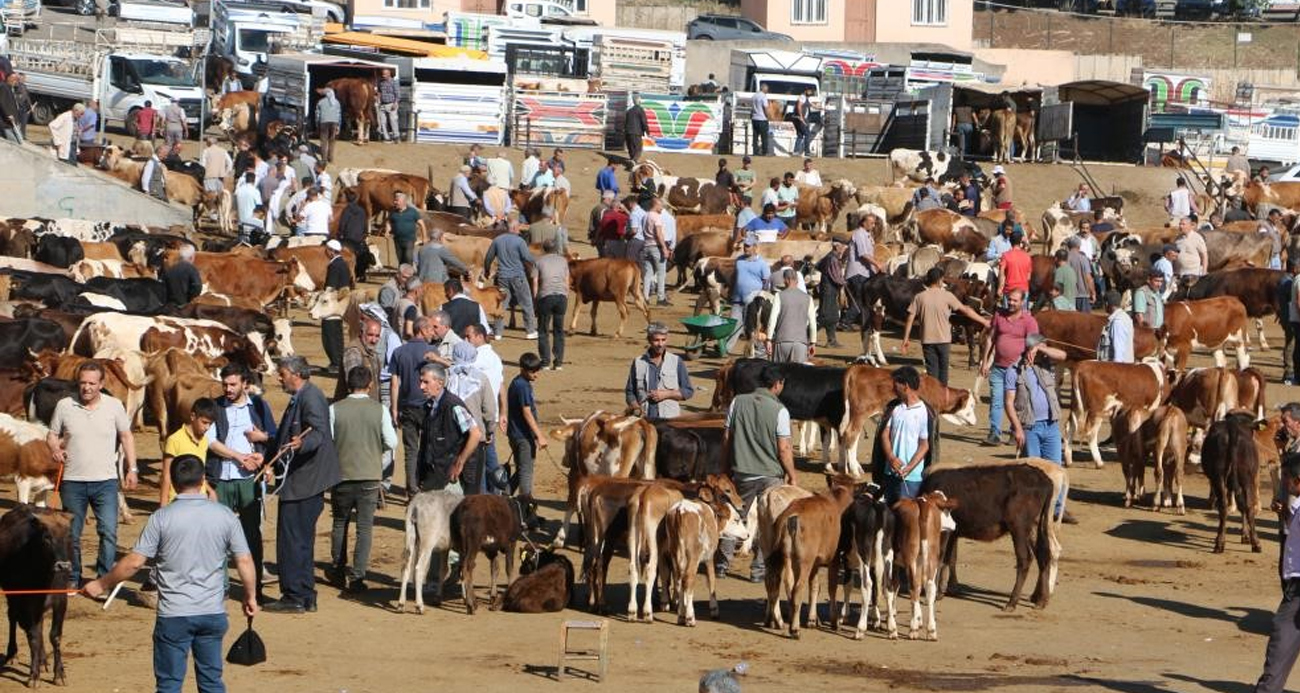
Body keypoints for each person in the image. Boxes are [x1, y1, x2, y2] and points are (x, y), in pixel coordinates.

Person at [81, 455, 258, 693]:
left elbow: (134, 562)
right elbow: (244, 560)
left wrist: (101, 584)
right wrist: (250, 596)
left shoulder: (161, 518)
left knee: (169, 685)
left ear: (173, 484)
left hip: (174, 615)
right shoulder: (224, 516)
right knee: (211, 682)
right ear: (204, 480)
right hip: (212, 612)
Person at [263, 356, 340, 614]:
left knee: (292, 541)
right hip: (304, 481)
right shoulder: (304, 395)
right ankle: (305, 595)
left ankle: (294, 595)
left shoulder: (311, 397)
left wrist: (300, 444)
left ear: (295, 374)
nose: (279, 378)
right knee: (301, 541)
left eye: (282, 373)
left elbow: (318, 434)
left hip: (304, 483)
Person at [716, 363, 797, 582]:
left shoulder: (737, 402)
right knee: (768, 522)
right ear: (778, 384)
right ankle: (759, 569)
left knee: (735, 515)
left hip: (742, 471)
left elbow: (726, 439)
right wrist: (792, 473)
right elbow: (784, 448)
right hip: (771, 474)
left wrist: (724, 467)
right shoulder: (780, 410)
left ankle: (722, 564)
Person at [206, 363, 275, 603]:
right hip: (221, 478)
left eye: (233, 384)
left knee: (251, 536)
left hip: (249, 480)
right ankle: (221, 589)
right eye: (225, 384)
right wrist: (239, 456)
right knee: (219, 536)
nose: (228, 389)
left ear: (245, 384)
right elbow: (210, 441)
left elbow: (271, 438)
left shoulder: (257, 406)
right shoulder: (214, 407)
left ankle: (254, 589)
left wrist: (263, 459)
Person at [329, 365, 397, 593]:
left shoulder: (335, 409)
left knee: (340, 523)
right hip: (369, 475)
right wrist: (376, 453)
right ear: (370, 385)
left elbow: (328, 441)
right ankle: (357, 577)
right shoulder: (379, 410)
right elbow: (392, 442)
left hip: (341, 474)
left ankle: (338, 570)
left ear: (349, 384)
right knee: (364, 527)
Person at [1004, 334, 1072, 521]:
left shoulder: (1045, 362)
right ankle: (1033, 509)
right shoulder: (1014, 370)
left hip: (1051, 425)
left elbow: (1063, 355)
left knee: (1056, 469)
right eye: (1039, 346)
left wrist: (1040, 348)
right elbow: (1009, 403)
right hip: (1029, 426)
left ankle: (1057, 509)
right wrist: (1017, 429)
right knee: (1032, 471)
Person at [1254, 453, 1300, 693]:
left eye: (1288, 480)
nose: (1286, 484)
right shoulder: (1298, 507)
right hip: (1295, 587)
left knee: (1281, 639)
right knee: (1282, 638)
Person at [902, 267, 990, 386]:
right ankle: (943, 397)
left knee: (932, 373)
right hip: (943, 340)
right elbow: (966, 310)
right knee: (943, 372)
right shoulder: (947, 296)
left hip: (927, 340)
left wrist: (906, 339)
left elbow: (910, 318)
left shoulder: (919, 297)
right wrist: (984, 321)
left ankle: (933, 399)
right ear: (940, 280)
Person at [979, 288, 1038, 447]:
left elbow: (1034, 342)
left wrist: (1032, 351)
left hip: (1018, 369)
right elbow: (990, 339)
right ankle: (994, 433)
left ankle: (1014, 431)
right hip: (998, 367)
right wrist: (985, 361)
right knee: (996, 400)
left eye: (1015, 300)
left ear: (1022, 302)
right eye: (1009, 299)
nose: (1011, 303)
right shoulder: (999, 316)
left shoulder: (1029, 320)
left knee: (1018, 403)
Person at [413, 363, 482, 492]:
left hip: (451, 475)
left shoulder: (453, 406)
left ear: (440, 383)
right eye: (421, 382)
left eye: (426, 382)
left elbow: (475, 434)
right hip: (436, 472)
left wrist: (459, 462)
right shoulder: (429, 405)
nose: (421, 387)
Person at [390, 317, 436, 493]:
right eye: (430, 329)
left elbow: (395, 383)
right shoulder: (431, 351)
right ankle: (424, 484)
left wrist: (395, 409)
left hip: (406, 407)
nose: (432, 332)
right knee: (428, 447)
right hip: (427, 407)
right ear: (422, 330)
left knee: (411, 450)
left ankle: (411, 487)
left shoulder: (399, 352)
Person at [444, 342, 495, 495]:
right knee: (472, 486)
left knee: (449, 481)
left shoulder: (446, 375)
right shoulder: (482, 378)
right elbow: (490, 411)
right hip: (476, 438)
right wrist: (489, 431)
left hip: (450, 438)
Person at [877, 367, 931, 503]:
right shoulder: (895, 408)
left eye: (896, 384)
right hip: (890, 473)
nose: (893, 388)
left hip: (912, 478)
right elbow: (884, 434)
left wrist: (909, 467)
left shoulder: (923, 412)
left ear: (905, 386)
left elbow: (924, 445)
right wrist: (891, 457)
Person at [625, 322, 694, 419]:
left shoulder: (676, 361)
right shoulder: (638, 362)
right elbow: (630, 392)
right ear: (649, 340)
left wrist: (666, 394)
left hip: (669, 421)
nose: (660, 344)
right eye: (656, 340)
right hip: (644, 420)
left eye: (663, 340)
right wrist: (636, 407)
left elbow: (688, 391)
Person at [484, 216, 538, 338]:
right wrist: (537, 263)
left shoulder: (497, 240)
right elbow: (527, 258)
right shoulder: (520, 241)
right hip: (518, 276)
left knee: (501, 304)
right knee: (526, 303)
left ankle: (498, 332)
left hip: (502, 277)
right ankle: (530, 331)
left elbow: (488, 258)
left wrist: (487, 270)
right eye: (518, 227)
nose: (519, 229)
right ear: (513, 228)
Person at [507, 353, 545, 519]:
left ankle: (501, 495)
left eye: (537, 370)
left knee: (522, 469)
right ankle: (526, 515)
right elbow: (527, 412)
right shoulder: (522, 386)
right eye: (532, 372)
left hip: (517, 434)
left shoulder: (520, 382)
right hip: (523, 436)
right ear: (523, 369)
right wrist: (539, 435)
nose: (536, 374)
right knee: (526, 475)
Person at [159, 398, 218, 504]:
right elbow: (166, 475)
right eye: (204, 422)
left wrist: (210, 490)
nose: (207, 427)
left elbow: (200, 474)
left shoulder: (204, 441)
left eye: (210, 424)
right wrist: (163, 505)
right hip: (177, 501)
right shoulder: (175, 440)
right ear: (193, 416)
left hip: (200, 500)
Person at [727, 238, 772, 354]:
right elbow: (734, 277)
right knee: (733, 324)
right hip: (737, 299)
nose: (745, 248)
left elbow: (766, 282)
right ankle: (726, 348)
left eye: (748, 246)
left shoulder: (762, 264)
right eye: (745, 246)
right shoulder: (739, 260)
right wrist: (730, 292)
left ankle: (757, 351)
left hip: (754, 302)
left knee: (752, 328)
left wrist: (763, 298)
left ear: (755, 247)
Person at [763, 268, 816, 363]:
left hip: (782, 341)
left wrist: (769, 339)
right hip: (801, 343)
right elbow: (812, 323)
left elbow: (773, 319)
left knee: (779, 374)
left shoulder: (779, 296)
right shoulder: (808, 298)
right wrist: (813, 342)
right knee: (797, 376)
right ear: (797, 280)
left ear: (785, 280)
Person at [535, 238, 569, 369]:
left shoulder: (539, 261)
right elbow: (566, 280)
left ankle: (545, 362)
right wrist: (566, 295)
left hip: (546, 296)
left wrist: (535, 299)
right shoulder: (563, 261)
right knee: (559, 330)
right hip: (561, 297)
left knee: (543, 329)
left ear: (544, 248)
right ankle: (558, 362)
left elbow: (535, 283)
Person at [816, 235, 849, 347]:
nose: (844, 249)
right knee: (824, 316)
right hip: (829, 290)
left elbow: (817, 266)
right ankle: (805, 337)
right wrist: (844, 283)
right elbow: (836, 277)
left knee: (833, 316)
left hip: (828, 289)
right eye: (843, 247)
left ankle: (831, 340)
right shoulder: (833, 259)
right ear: (837, 246)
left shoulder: (829, 257)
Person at [642, 198, 671, 306]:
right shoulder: (656, 217)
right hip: (656, 247)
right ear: (656, 205)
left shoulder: (645, 216)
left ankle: (645, 297)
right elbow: (659, 234)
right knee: (661, 273)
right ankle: (661, 298)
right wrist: (664, 247)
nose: (662, 208)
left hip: (646, 246)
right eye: (661, 205)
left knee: (647, 273)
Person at [336, 189, 370, 280]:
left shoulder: (346, 210)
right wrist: (365, 233)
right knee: (361, 256)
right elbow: (365, 223)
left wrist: (339, 234)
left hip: (348, 238)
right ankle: (361, 274)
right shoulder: (362, 210)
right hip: (359, 238)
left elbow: (343, 223)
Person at [389, 192, 426, 267]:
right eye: (395, 200)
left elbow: (422, 224)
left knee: (408, 257)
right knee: (400, 258)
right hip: (397, 239)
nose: (394, 202)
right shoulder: (393, 212)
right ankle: (402, 274)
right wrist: (387, 231)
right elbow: (389, 221)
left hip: (409, 239)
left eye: (397, 200)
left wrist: (424, 238)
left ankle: (409, 275)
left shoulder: (412, 212)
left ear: (404, 202)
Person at [1097, 291, 1134, 363]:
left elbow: (1118, 353)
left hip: (1117, 369)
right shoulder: (1125, 317)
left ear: (1107, 303)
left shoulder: (1117, 322)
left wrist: (1116, 372)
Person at [1174, 216, 1209, 284]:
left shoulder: (1197, 238)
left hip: (1193, 274)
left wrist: (1204, 272)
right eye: (1180, 224)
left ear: (1190, 225)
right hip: (1179, 273)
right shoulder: (1178, 238)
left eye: (1183, 224)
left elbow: (1204, 255)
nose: (1180, 226)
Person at [1066, 237, 1096, 312]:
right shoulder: (1083, 259)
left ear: (1068, 246)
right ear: (1079, 246)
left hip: (1068, 296)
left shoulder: (1064, 258)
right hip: (1083, 295)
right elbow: (1088, 278)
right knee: (1084, 321)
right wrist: (1093, 292)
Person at [1001, 229, 1032, 298]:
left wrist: (999, 289)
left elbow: (1002, 275)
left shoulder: (1005, 255)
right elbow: (1028, 277)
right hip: (1023, 291)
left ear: (1010, 241)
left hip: (1009, 291)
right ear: (1020, 241)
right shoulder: (1027, 257)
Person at [315, 87, 342, 164]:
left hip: (323, 122)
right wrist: (338, 126)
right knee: (332, 140)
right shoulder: (337, 102)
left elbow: (317, 115)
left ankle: (324, 158)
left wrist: (317, 124)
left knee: (323, 141)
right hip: (334, 123)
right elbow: (339, 115)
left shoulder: (320, 102)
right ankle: (331, 158)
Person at [376, 69, 400, 143]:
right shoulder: (381, 83)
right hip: (382, 104)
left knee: (393, 121)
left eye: (385, 74)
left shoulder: (394, 82)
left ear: (389, 74)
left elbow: (397, 93)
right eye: (383, 74)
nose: (383, 76)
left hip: (391, 103)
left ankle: (396, 137)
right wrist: (378, 99)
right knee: (383, 122)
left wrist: (395, 103)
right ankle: (386, 137)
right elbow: (379, 92)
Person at [750, 84, 771, 157]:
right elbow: (765, 108)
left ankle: (755, 151)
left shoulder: (754, 96)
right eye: (767, 89)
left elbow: (752, 107)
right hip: (762, 119)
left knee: (755, 136)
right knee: (764, 137)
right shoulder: (763, 96)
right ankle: (764, 152)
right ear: (764, 89)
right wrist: (768, 117)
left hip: (754, 118)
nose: (767, 91)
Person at [625, 94, 647, 162]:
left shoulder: (629, 111)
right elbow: (643, 121)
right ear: (639, 101)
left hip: (628, 132)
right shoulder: (640, 110)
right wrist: (646, 130)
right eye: (640, 99)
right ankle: (633, 161)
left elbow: (626, 122)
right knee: (638, 149)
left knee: (631, 148)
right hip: (637, 132)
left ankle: (632, 160)